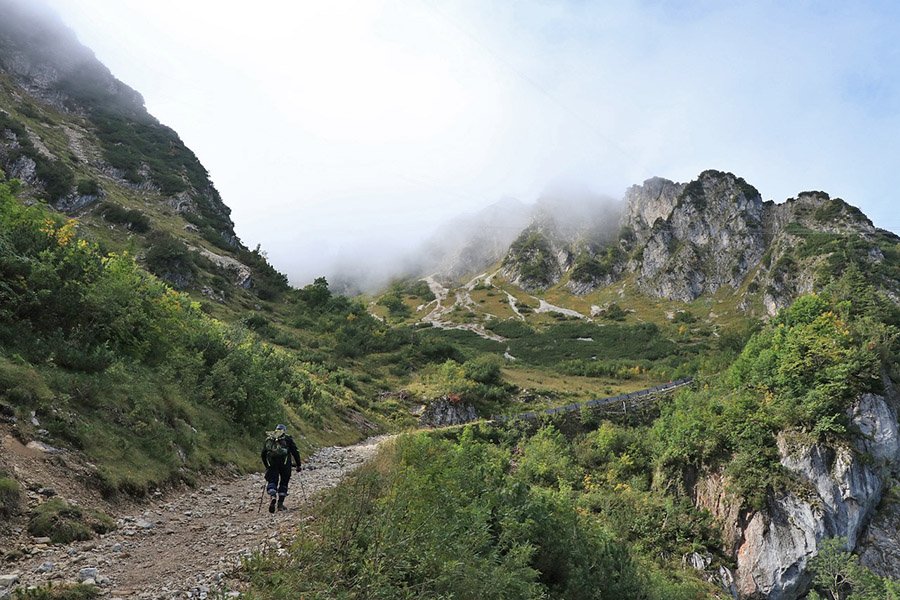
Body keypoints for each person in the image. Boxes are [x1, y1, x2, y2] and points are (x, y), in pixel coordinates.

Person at [261, 424, 302, 513]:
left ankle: (273, 496)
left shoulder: (270, 439)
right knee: (284, 482)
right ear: (284, 431)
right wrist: (298, 465)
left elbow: (263, 454)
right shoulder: (287, 439)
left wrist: (267, 466)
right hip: (285, 464)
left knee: (272, 481)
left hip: (272, 464)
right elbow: (295, 452)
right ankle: (280, 504)